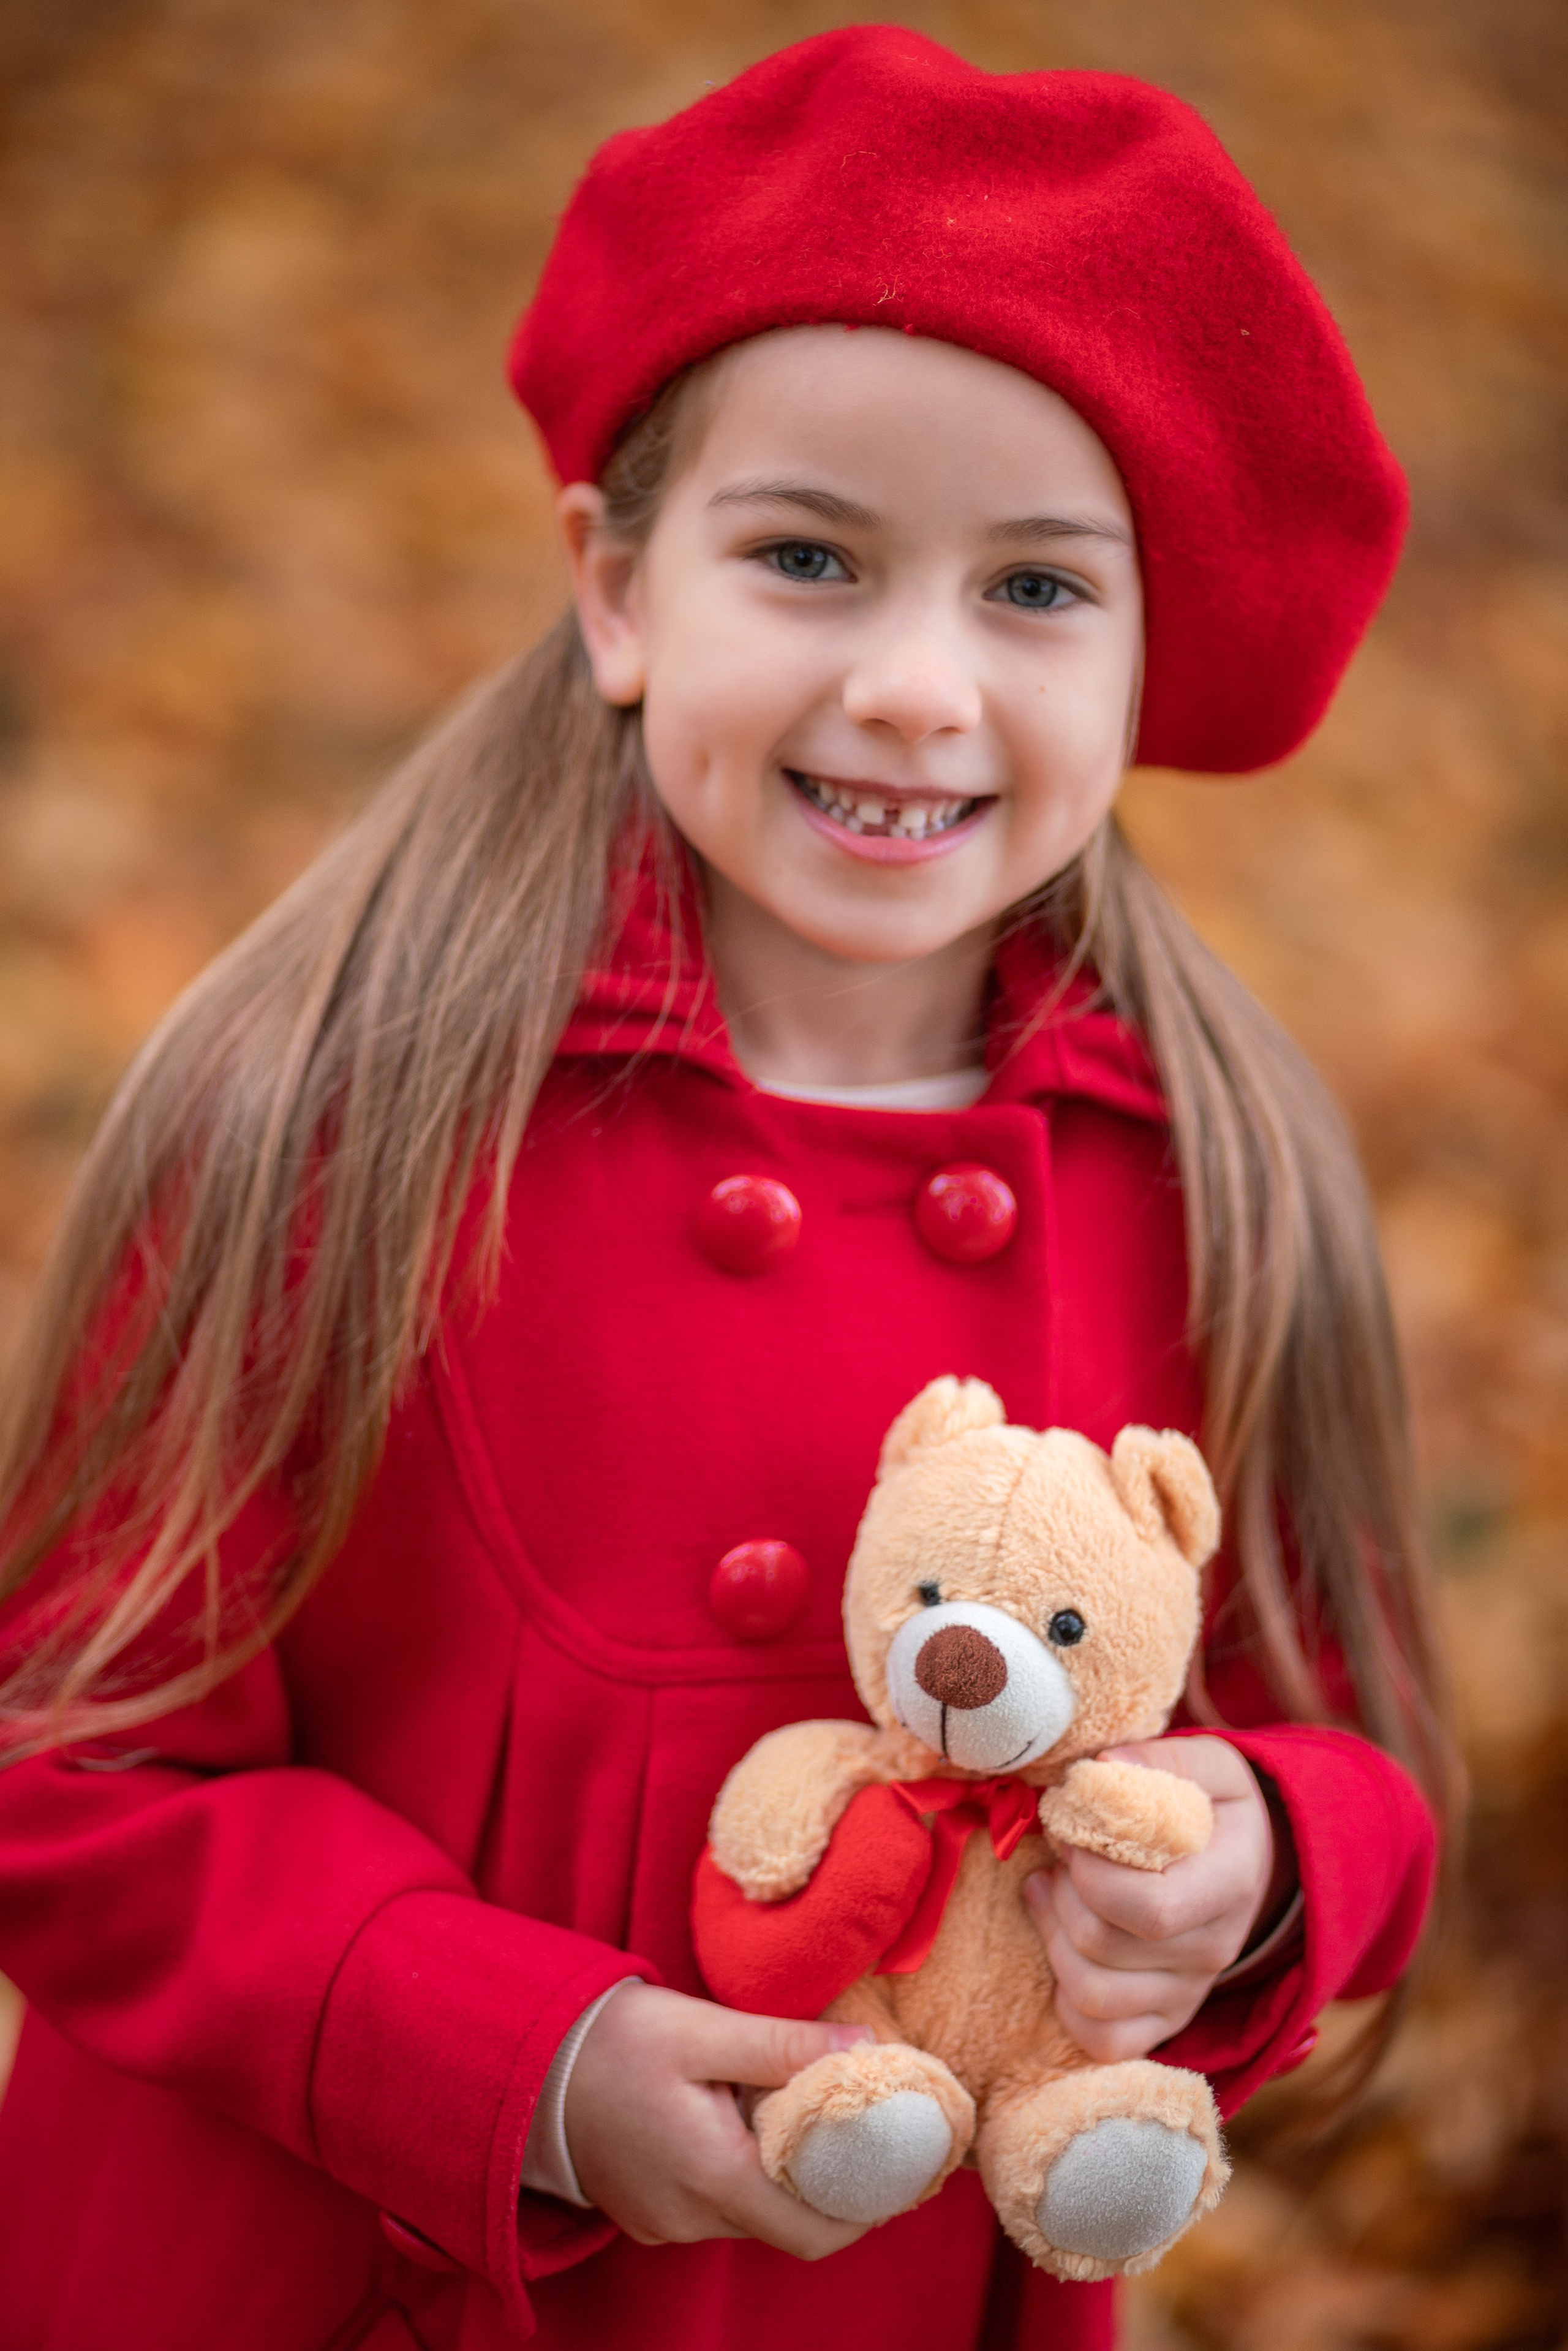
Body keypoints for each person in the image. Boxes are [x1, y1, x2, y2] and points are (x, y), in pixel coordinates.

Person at [0, 28, 1452, 2351]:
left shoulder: (1222, 1176)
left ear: (1150, 645)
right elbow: (71, 1766)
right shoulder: (331, 1119)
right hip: (312, 2280)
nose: (910, 685)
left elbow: (1351, 1751)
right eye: (807, 557)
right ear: (615, 586)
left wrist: (1258, 1873)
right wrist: (525, 2066)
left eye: (1037, 592)